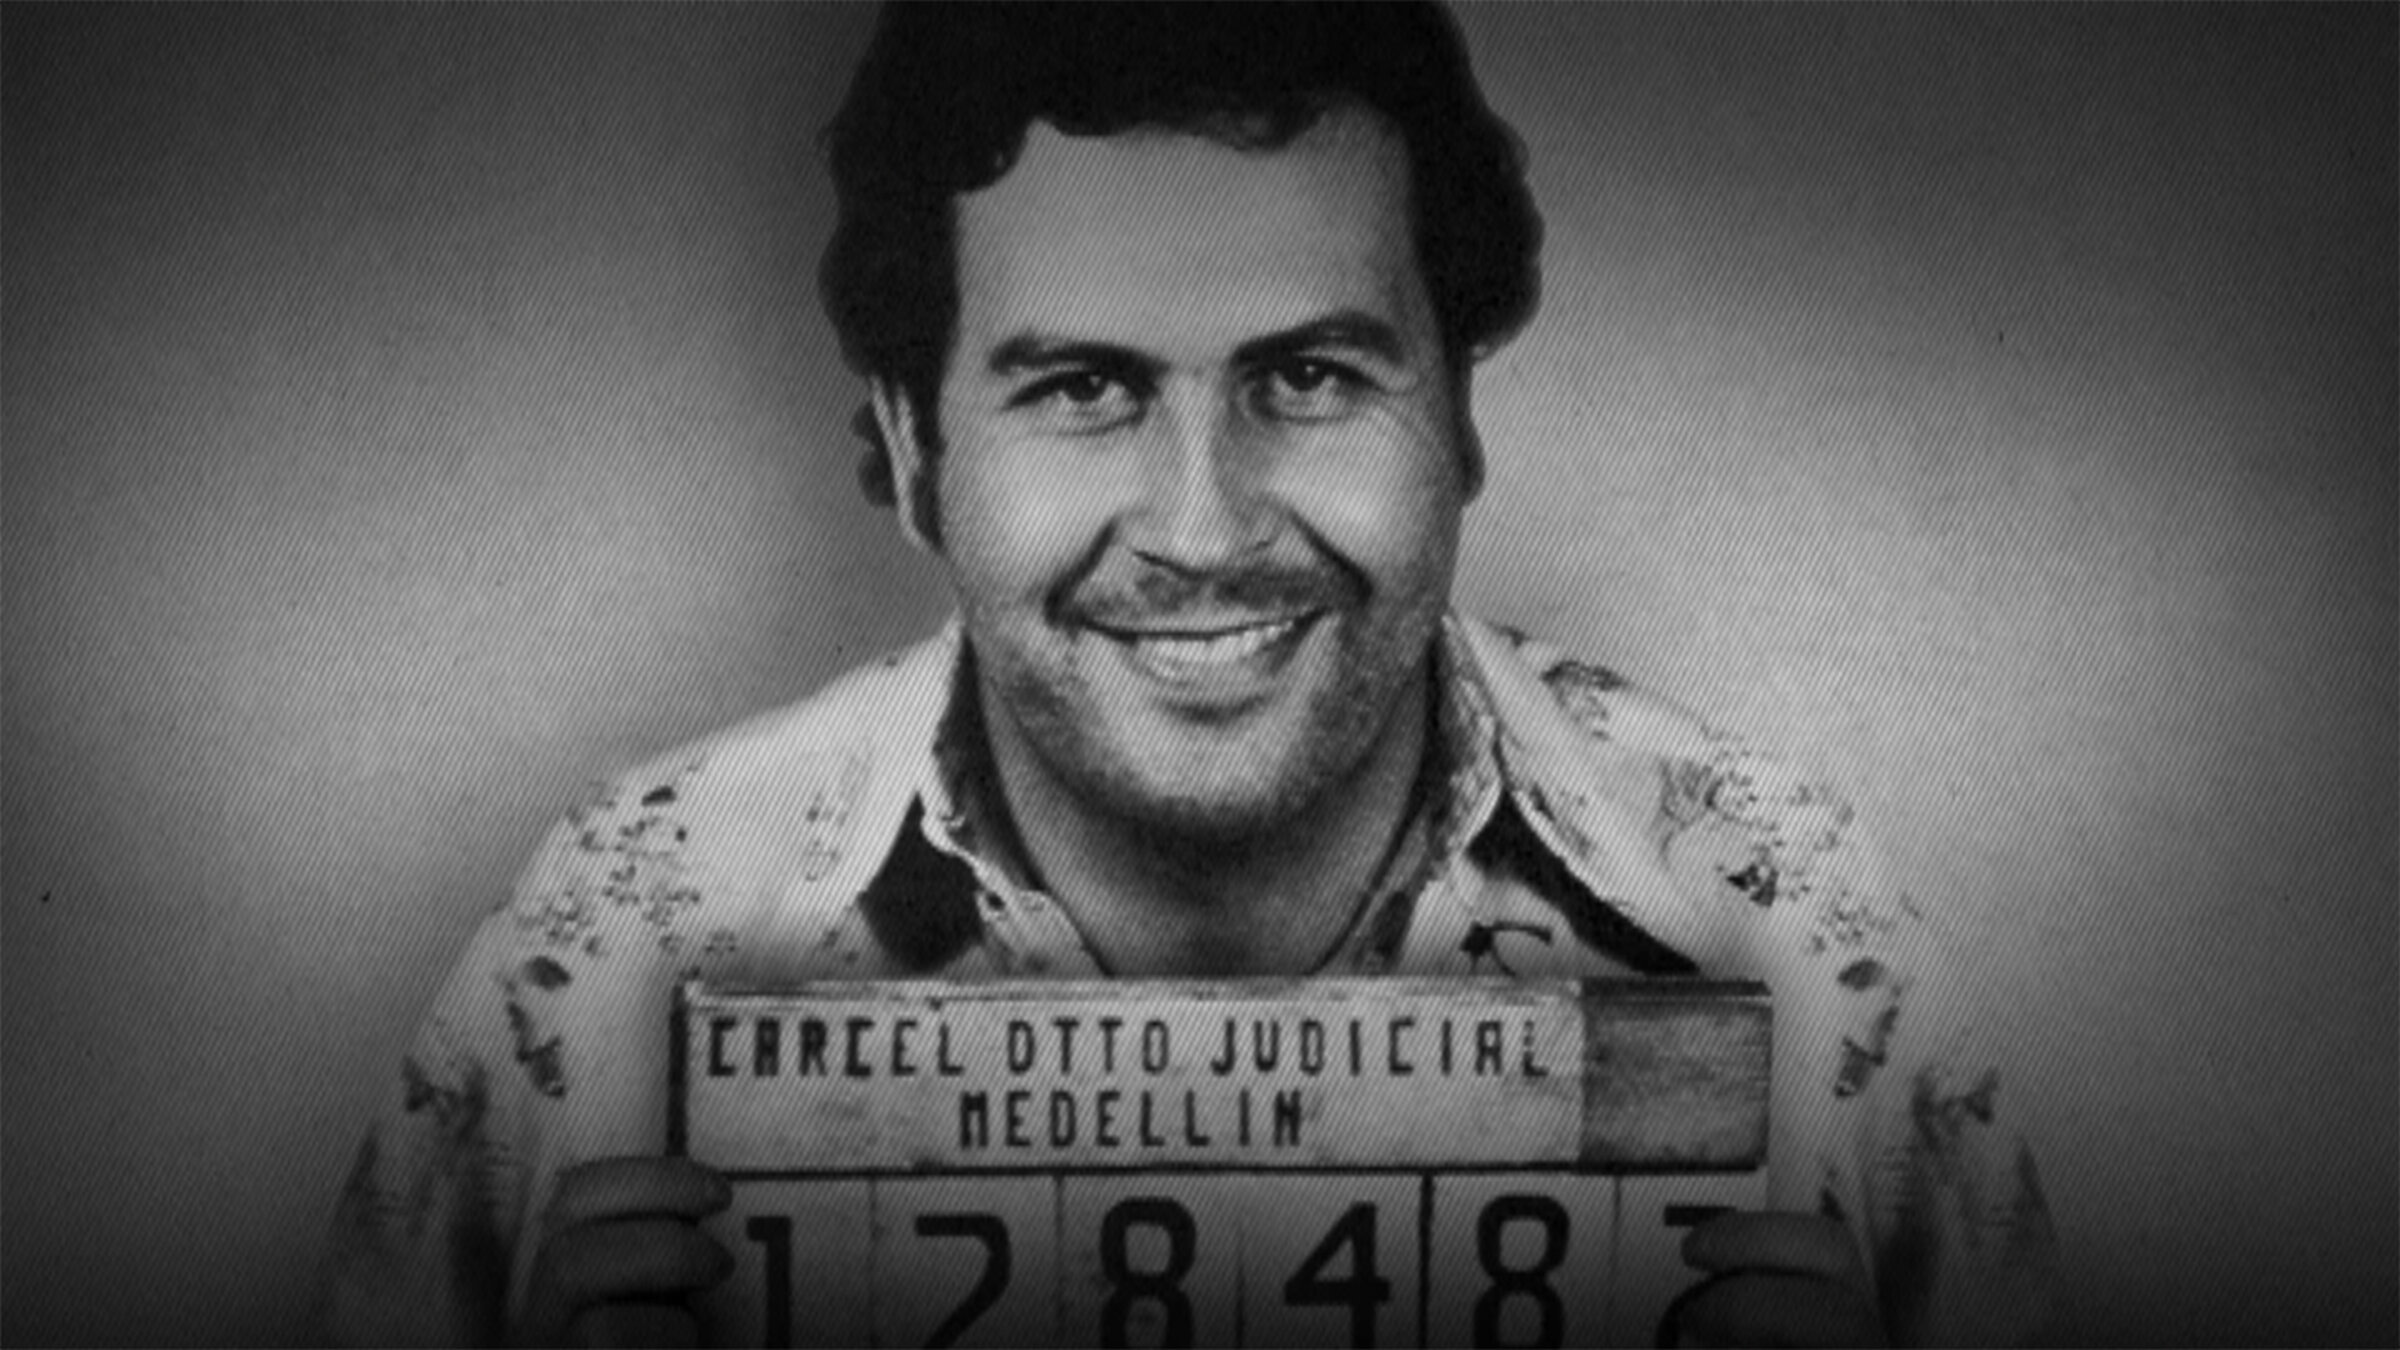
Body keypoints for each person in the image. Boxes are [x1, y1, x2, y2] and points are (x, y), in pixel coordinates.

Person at [321, 3, 2059, 1345]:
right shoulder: (613, 951)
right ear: (916, 451)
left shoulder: (1794, 933)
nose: (1206, 525)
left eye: (1309, 374)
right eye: (1081, 385)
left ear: (1456, 414)